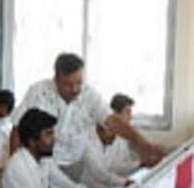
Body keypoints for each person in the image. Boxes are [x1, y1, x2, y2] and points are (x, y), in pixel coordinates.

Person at [9, 53, 162, 181]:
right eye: (67, 84)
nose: (74, 89)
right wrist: (15, 167)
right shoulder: (38, 92)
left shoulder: (89, 95)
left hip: (75, 164)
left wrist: (142, 142)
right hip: (42, 163)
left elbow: (112, 120)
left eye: (78, 83)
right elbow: (17, 129)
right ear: (56, 79)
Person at [79, 123, 133, 188]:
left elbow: (114, 166)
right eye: (111, 131)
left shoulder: (108, 144)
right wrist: (123, 182)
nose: (115, 136)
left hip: (104, 184)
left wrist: (138, 165)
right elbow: (99, 173)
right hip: (90, 187)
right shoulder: (89, 146)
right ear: (100, 131)